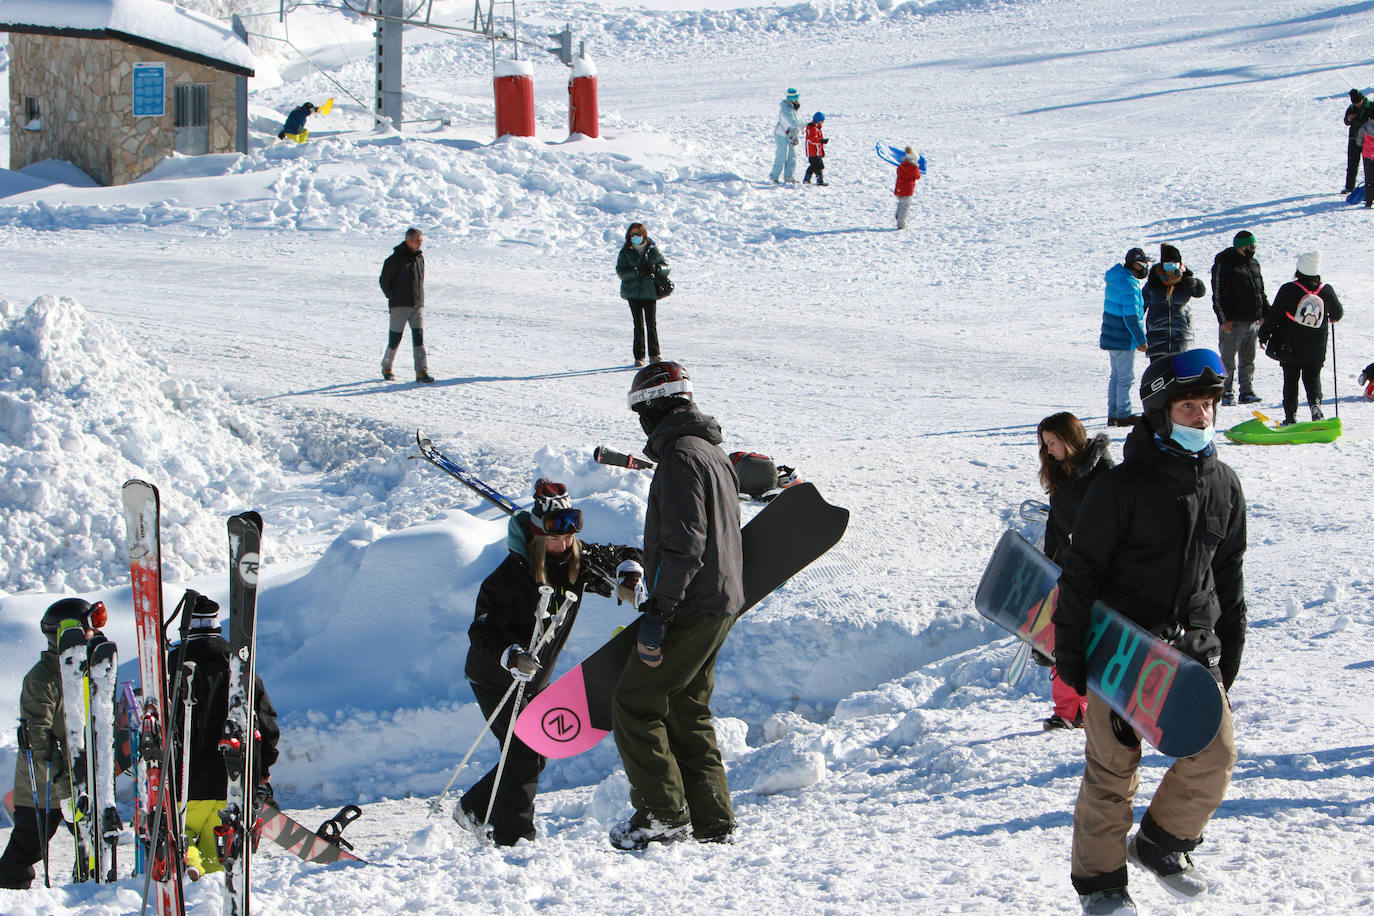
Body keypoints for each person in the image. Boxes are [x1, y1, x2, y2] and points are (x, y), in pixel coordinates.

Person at [1053, 348, 1246, 916]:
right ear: (1161, 413)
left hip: (1194, 650)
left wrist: (1228, 654)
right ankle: (1103, 886)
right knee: (1113, 773)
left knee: (1216, 754)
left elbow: (1228, 574)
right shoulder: (1120, 488)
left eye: (1209, 405)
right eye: (1189, 406)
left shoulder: (1224, 485)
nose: (1203, 417)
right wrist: (1071, 653)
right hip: (1122, 648)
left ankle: (1161, 842)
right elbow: (1081, 573)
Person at [459, 480, 643, 846]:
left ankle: (477, 807)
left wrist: (629, 573)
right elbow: (480, 632)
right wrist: (512, 656)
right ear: (537, 535)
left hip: (533, 678)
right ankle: (514, 838)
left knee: (532, 750)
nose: (564, 544)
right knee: (525, 752)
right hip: (497, 677)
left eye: (571, 535)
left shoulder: (577, 559)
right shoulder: (508, 578)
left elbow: (626, 552)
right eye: (555, 538)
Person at [610, 361, 744, 850]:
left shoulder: (680, 459)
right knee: (687, 708)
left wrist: (659, 614)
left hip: (690, 606)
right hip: (720, 602)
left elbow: (685, 545)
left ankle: (663, 815)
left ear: (656, 406)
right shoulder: (712, 452)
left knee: (635, 704)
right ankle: (714, 821)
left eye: (641, 410)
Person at [166, 594, 279, 880]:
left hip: (184, 781)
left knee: (183, 836)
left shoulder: (172, 668)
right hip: (231, 782)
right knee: (221, 857)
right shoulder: (239, 665)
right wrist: (262, 771)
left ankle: (190, 863)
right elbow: (266, 724)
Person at [0, 599, 98, 890]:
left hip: (75, 777)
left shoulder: (84, 669)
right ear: (69, 631)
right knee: (32, 843)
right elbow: (37, 731)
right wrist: (55, 773)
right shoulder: (43, 678)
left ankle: (91, 885)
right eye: (88, 626)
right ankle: (8, 888)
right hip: (44, 783)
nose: (93, 632)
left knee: (90, 838)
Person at [1035, 413, 1113, 731]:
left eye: (1053, 443)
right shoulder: (1060, 476)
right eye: (1045, 445)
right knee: (1064, 637)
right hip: (1072, 569)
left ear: (1069, 438)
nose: (1049, 450)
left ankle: (1101, 709)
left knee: (1099, 640)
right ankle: (1069, 710)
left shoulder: (1103, 471)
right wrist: (1049, 563)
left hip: (1104, 571)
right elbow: (1055, 525)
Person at [1259, 251, 1344, 425]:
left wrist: (1264, 335)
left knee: (1290, 379)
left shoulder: (1288, 289)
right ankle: (1316, 407)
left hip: (1290, 343)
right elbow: (1338, 313)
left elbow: (1274, 314)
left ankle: (1290, 416)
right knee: (1312, 377)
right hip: (1316, 344)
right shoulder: (1326, 290)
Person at [1210, 230, 1267, 405]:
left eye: (1254, 246)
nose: (1253, 249)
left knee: (1248, 359)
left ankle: (1246, 390)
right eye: (1251, 246)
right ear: (1241, 247)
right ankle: (1226, 391)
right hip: (1233, 322)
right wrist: (1223, 319)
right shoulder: (1225, 264)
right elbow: (1218, 294)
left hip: (1252, 321)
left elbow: (1260, 291)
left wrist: (1263, 312)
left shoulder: (1253, 264)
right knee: (1227, 359)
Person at [1100, 247, 1151, 426]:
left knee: (1116, 376)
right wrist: (1141, 340)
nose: (1145, 267)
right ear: (1134, 264)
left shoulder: (1117, 278)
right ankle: (1123, 414)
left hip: (1112, 336)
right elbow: (1131, 317)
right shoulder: (1129, 284)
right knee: (1125, 378)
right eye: (1143, 264)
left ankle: (1113, 414)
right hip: (1122, 338)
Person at [378, 227, 434, 383]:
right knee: (395, 339)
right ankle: (386, 366)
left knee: (419, 339)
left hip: (417, 305)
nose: (420, 243)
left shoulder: (420, 259)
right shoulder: (394, 260)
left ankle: (421, 371)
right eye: (417, 240)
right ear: (408, 241)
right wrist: (394, 297)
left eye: (421, 240)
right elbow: (384, 282)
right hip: (400, 306)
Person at [615, 223, 670, 368]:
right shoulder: (625, 252)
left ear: (644, 234)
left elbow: (666, 266)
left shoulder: (652, 250)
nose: (635, 237)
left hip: (649, 292)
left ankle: (655, 354)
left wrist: (657, 268)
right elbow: (621, 272)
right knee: (638, 325)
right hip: (633, 293)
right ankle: (639, 356)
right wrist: (635, 272)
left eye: (638, 234)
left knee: (651, 324)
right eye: (632, 235)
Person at [1143, 243, 1206, 360]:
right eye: (1167, 263)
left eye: (1174, 263)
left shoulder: (1186, 281)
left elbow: (1200, 292)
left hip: (1182, 339)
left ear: (1180, 264)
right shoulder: (1153, 283)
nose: (1171, 266)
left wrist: (1194, 283)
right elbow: (1140, 307)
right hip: (1157, 340)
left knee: (1182, 376)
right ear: (1162, 264)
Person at [770, 88, 803, 183]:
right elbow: (793, 122)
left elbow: (799, 119)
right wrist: (802, 125)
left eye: (797, 97)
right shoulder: (785, 108)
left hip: (791, 134)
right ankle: (774, 176)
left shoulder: (795, 107)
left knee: (792, 156)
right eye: (794, 97)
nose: (796, 99)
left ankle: (789, 177)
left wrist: (805, 124)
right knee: (782, 155)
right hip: (782, 134)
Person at [1343, 89, 1371, 195]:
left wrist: (1355, 120)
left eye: (1358, 102)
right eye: (1355, 103)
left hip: (1368, 140)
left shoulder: (1371, 107)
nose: (1357, 104)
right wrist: (1349, 119)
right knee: (1352, 164)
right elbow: (1346, 121)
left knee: (1369, 166)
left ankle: (1370, 189)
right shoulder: (1351, 108)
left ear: (1362, 99)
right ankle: (1349, 187)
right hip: (1354, 139)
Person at [894, 147, 921, 230]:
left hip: (899, 188)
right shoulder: (913, 168)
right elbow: (918, 176)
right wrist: (917, 168)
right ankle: (901, 223)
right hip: (908, 190)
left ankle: (898, 215)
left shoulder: (901, 166)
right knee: (905, 206)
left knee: (901, 202)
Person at [802, 112, 828, 185]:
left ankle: (807, 179)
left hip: (816, 151)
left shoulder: (816, 128)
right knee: (818, 166)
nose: (823, 122)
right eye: (822, 121)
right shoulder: (812, 128)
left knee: (813, 166)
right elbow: (812, 140)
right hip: (813, 152)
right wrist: (821, 141)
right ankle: (820, 181)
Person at [1358, 110, 1374, 208]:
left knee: (1369, 179)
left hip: (1367, 155)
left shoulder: (1364, 127)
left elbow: (1359, 142)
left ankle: (1368, 201)